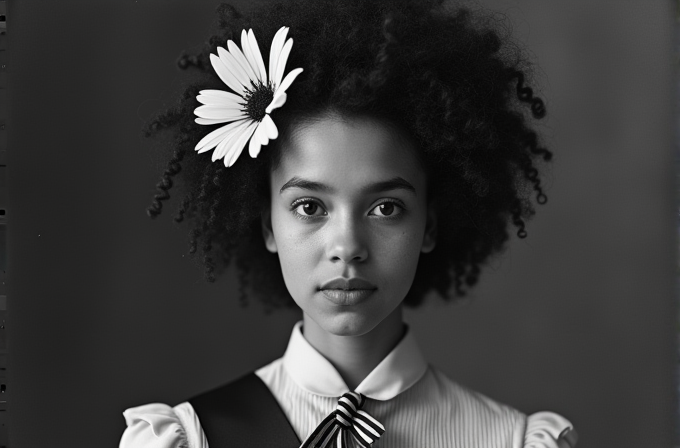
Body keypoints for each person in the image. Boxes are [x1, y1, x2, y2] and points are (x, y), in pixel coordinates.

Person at [119, 0, 578, 446]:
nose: (347, 246)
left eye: (386, 208)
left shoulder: (511, 441)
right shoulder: (191, 437)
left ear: (430, 226)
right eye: (310, 207)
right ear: (267, 226)